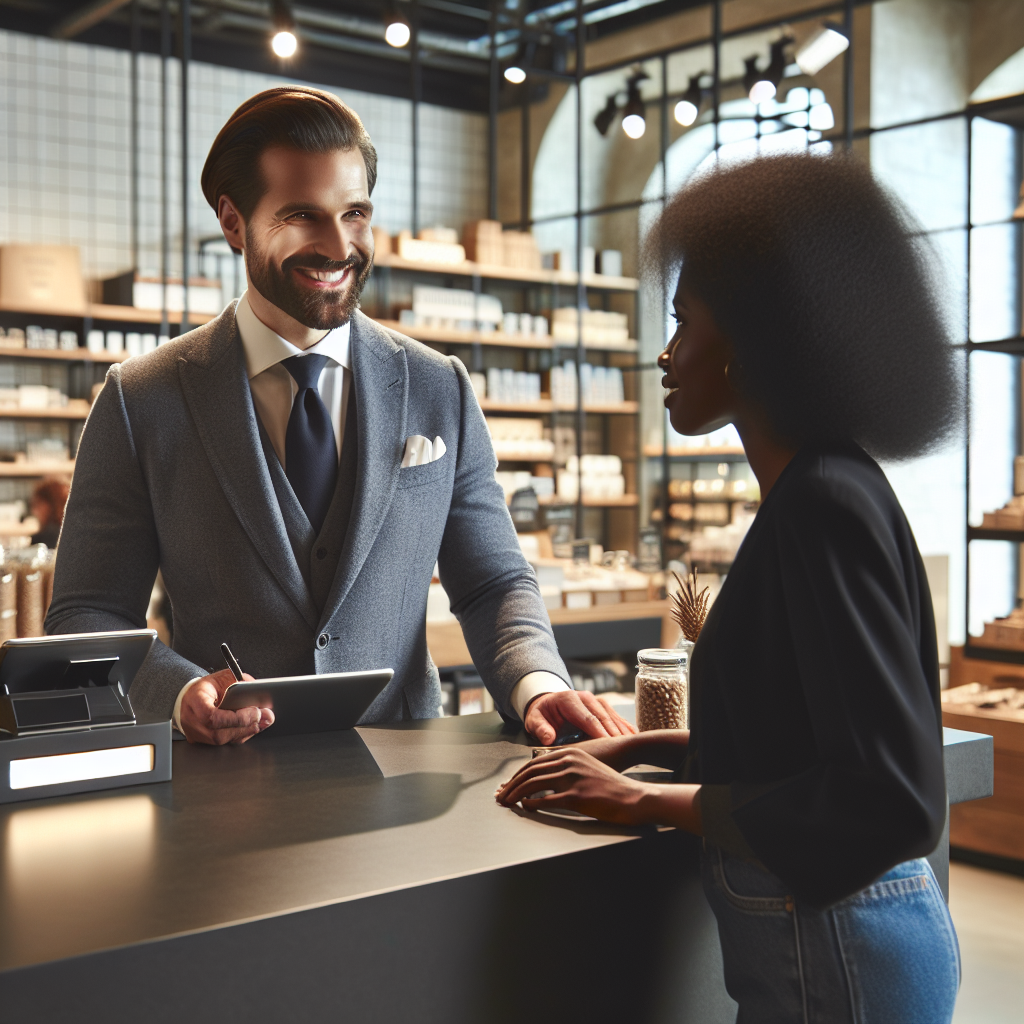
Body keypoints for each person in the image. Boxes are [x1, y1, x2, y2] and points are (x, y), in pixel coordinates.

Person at [497, 153, 962, 1023]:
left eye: (684, 325)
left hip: (838, 953)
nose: (667, 356)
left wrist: (645, 801)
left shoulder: (824, 503)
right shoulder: (820, 491)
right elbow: (797, 752)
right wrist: (636, 750)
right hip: (830, 947)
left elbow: (888, 796)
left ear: (756, 339)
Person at [46, 86, 633, 748]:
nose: (338, 245)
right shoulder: (140, 400)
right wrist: (179, 694)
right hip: (224, 795)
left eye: (355, 213)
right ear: (233, 221)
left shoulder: (438, 386)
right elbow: (84, 615)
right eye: (302, 215)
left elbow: (493, 581)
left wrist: (540, 686)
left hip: (406, 785)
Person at [30, 477, 69, 549]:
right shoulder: (72, 533)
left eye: (37, 504)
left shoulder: (44, 538)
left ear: (51, 505)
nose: (34, 511)